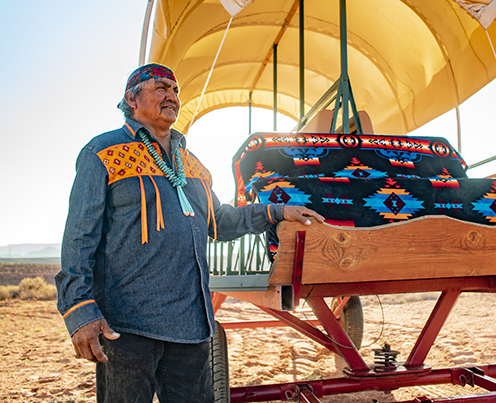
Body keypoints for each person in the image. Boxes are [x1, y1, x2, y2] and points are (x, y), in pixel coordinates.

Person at [55, 64, 324, 403]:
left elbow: (221, 221)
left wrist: (276, 211)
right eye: (160, 87)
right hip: (127, 324)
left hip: (192, 325)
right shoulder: (103, 152)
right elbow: (80, 237)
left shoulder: (191, 164)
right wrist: (79, 308)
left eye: (175, 90)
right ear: (131, 98)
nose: (171, 95)